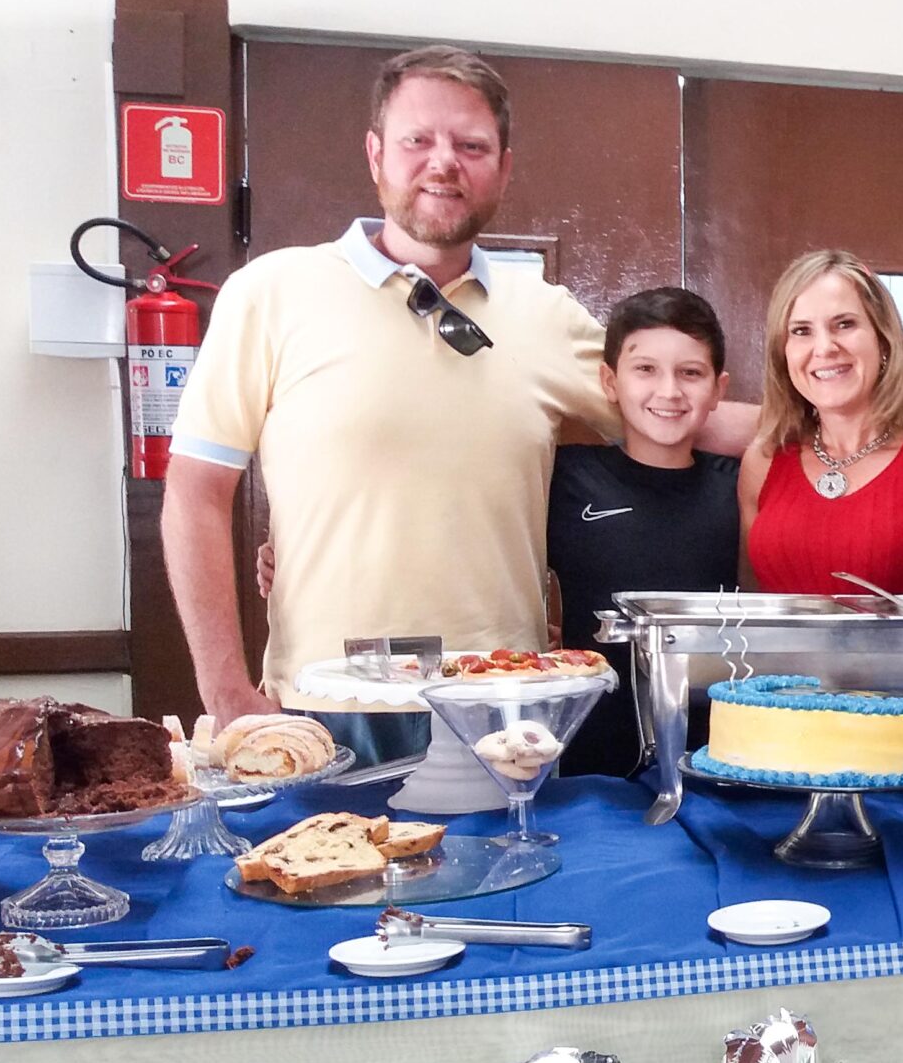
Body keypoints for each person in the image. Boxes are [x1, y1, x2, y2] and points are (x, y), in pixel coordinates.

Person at [160, 44, 753, 761]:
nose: (444, 162)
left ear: (503, 168)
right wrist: (225, 692)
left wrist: (850, 425)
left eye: (471, 146)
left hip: (505, 707)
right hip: (327, 706)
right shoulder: (272, 293)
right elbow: (196, 491)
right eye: (418, 140)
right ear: (376, 154)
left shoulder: (544, 315)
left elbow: (682, 412)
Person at [740, 249, 903, 599]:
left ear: (883, 340)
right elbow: (749, 615)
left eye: (844, 324)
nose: (824, 347)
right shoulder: (761, 463)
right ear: (784, 353)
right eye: (801, 331)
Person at [548, 287, 741, 776]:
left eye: (690, 373)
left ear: (718, 389)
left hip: (721, 752)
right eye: (646, 369)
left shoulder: (740, 485)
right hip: (589, 756)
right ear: (610, 382)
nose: (669, 391)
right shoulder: (566, 476)